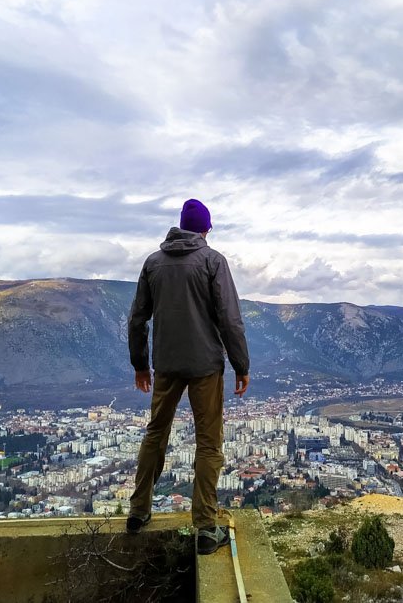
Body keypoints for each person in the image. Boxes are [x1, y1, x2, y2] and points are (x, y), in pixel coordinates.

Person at [126, 198, 250, 555]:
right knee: (209, 443)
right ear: (205, 229)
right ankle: (205, 528)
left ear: (180, 227)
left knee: (156, 432)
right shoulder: (213, 261)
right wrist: (242, 365)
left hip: (165, 365)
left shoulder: (153, 263)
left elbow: (137, 318)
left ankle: (138, 510)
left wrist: (140, 364)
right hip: (205, 367)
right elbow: (229, 319)